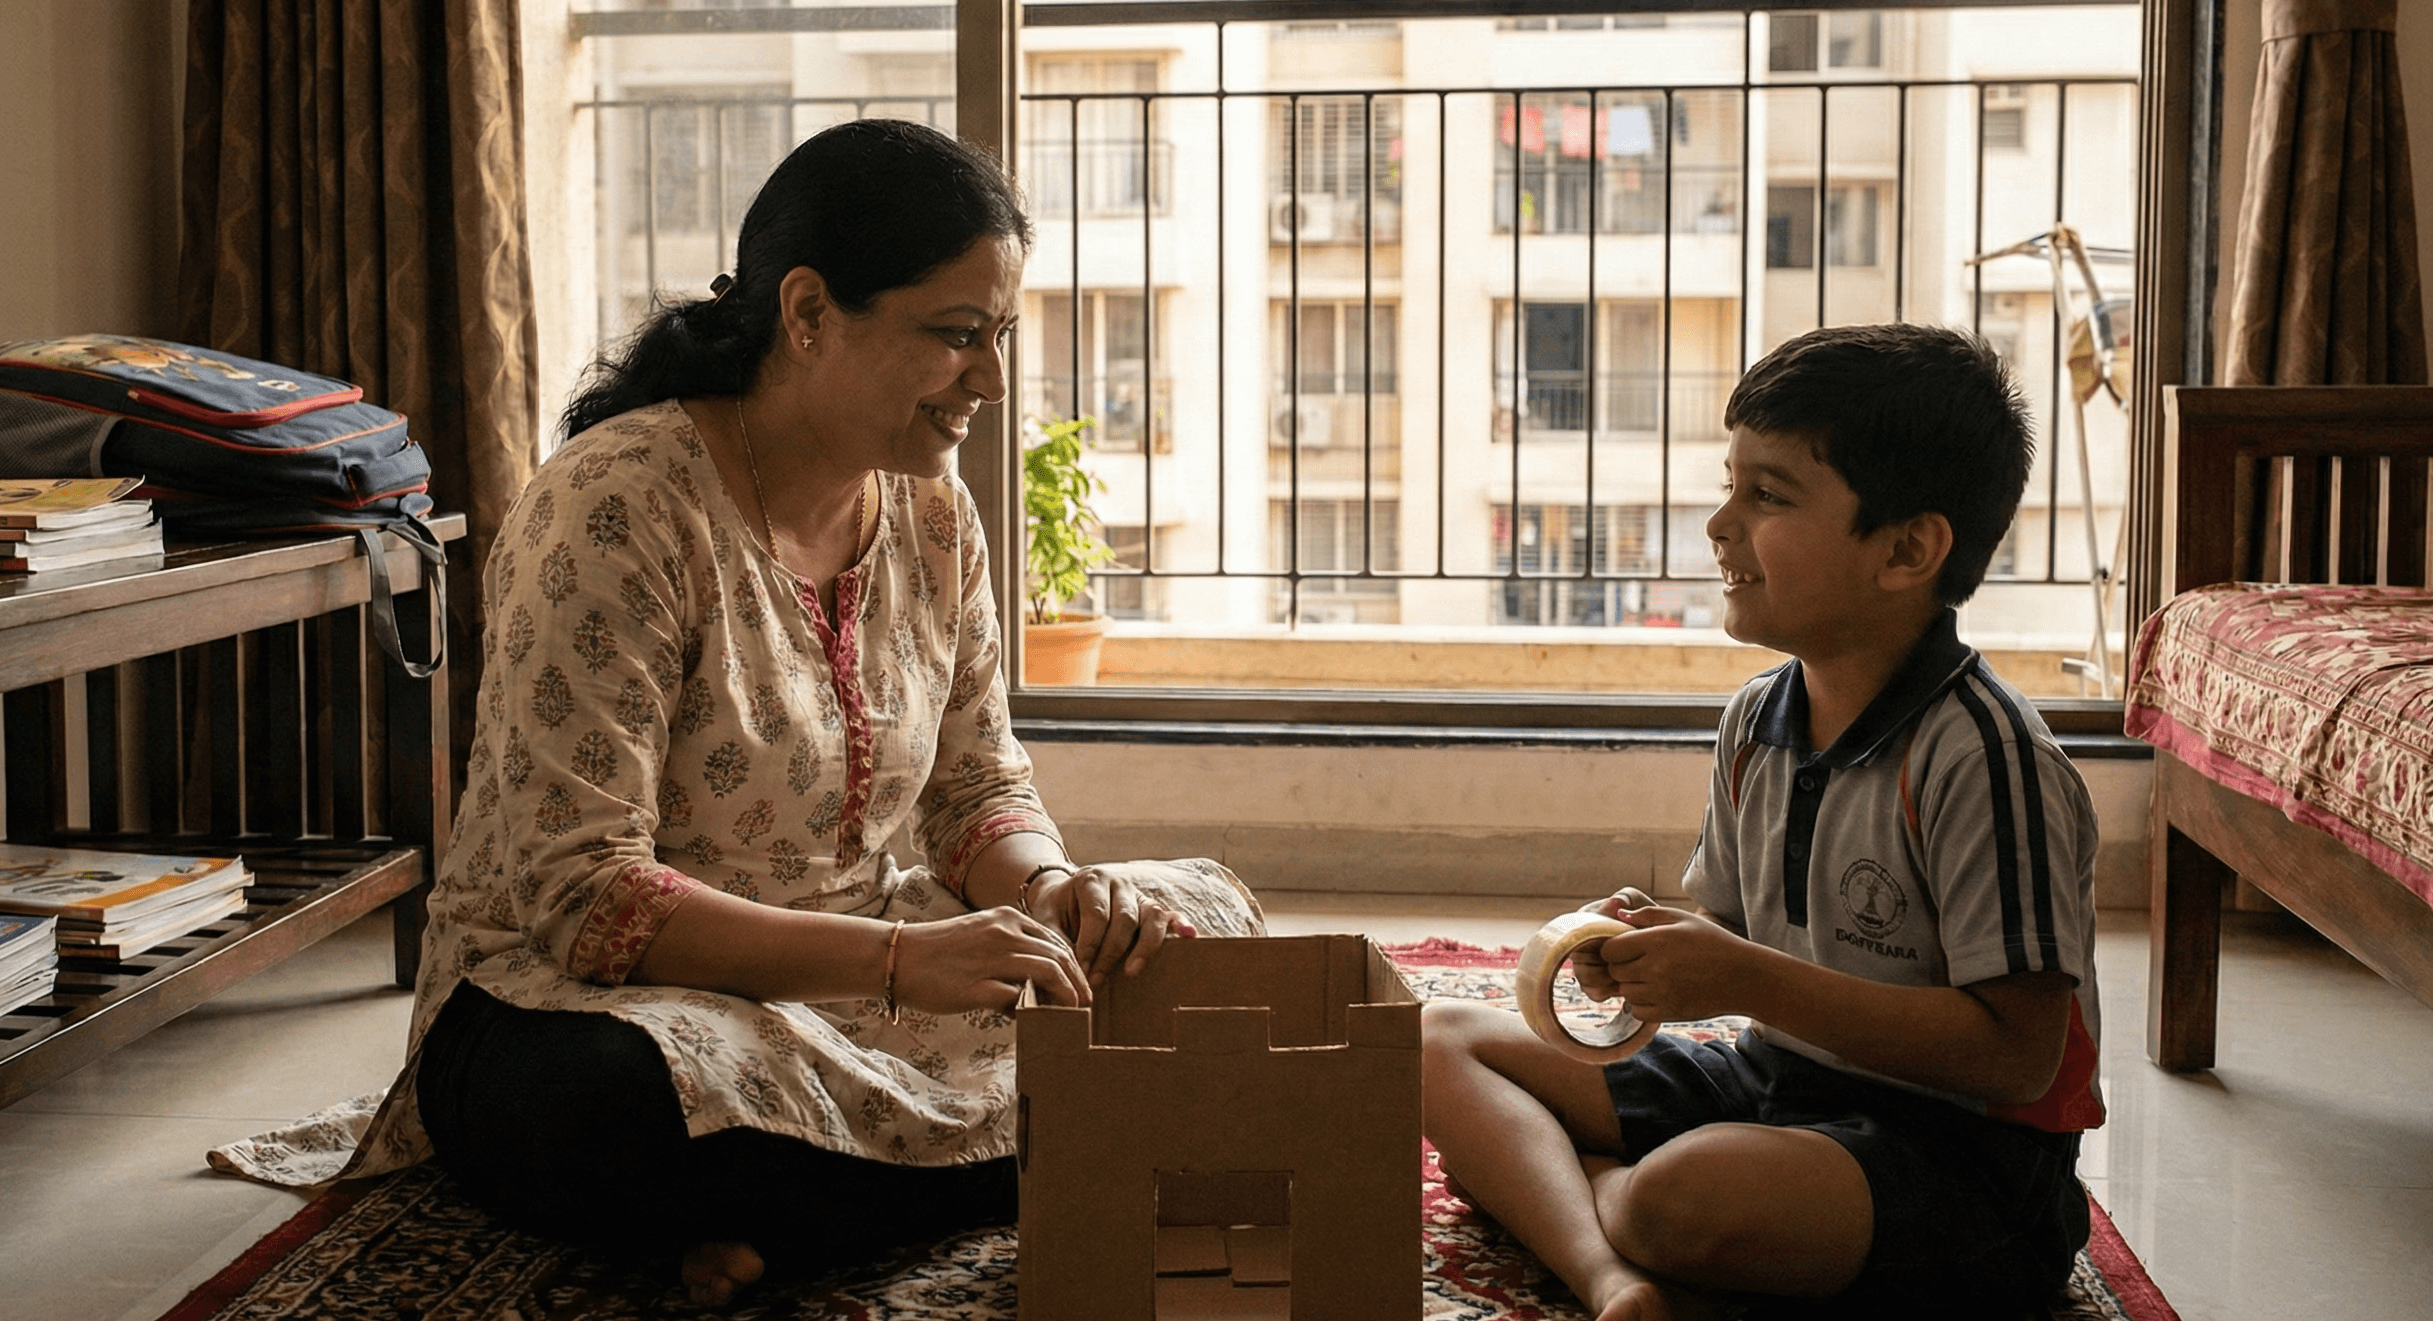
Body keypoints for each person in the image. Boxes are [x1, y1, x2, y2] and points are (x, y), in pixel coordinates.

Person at [218, 118, 1264, 1305]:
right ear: (809, 313)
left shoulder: (934, 520)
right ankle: (1059, 1146)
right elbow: (585, 895)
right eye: (958, 337)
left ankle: (813, 1207)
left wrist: (1046, 895)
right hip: (592, 1003)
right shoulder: (616, 508)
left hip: (870, 986)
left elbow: (976, 787)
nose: (993, 379)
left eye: (1001, 337)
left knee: (1200, 920)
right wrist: (897, 963)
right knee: (629, 1097)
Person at [1422, 323, 2104, 1321]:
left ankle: (1587, 1196)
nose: (1719, 523)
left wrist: (1741, 978)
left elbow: (2014, 1054)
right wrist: (1658, 945)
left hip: (1961, 1158)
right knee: (1439, 1039)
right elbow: (1743, 935)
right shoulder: (1758, 718)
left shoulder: (1987, 758)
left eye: (1768, 495)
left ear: (1908, 548)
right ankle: (1613, 1276)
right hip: (1776, 1081)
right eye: (1730, 483)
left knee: (1682, 1195)